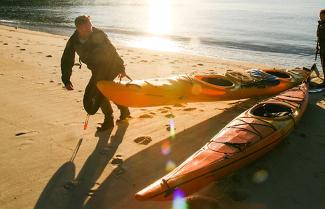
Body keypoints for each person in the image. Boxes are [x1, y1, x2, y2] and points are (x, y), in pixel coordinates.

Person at [61, 15, 130, 131]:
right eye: (86, 28)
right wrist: (66, 79)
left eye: (90, 25)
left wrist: (121, 68)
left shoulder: (99, 34)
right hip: (97, 70)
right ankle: (124, 110)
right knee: (104, 90)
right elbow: (67, 60)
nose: (89, 29)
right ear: (78, 28)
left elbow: (113, 51)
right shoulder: (74, 41)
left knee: (99, 91)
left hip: (110, 66)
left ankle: (109, 120)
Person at [316, 8, 325, 85]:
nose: (320, 16)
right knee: (323, 63)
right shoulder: (321, 23)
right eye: (320, 15)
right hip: (322, 46)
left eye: (321, 15)